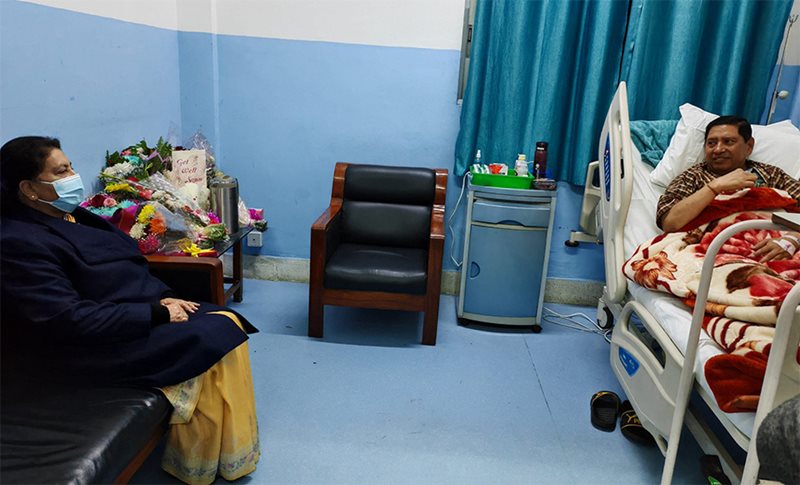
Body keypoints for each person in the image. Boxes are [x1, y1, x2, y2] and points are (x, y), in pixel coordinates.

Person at [0, 136, 260, 485]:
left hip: (127, 315)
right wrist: (156, 314)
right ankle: (196, 463)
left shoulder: (74, 216)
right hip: (84, 350)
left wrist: (164, 298)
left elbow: (125, 265)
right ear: (29, 189)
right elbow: (67, 320)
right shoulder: (18, 242)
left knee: (224, 321)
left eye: (71, 166)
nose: (73, 176)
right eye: (61, 172)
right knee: (214, 334)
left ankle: (221, 453)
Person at [656, 115, 800, 261]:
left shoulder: (772, 175)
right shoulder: (691, 177)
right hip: (711, 253)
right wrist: (714, 188)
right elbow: (670, 223)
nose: (718, 149)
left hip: (771, 251)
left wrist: (791, 240)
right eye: (711, 143)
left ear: (749, 146)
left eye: (728, 142)